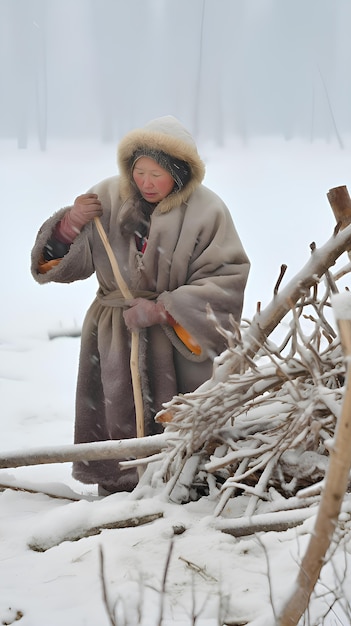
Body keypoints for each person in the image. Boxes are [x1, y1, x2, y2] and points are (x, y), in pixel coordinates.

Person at [31, 115, 250, 494]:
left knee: (179, 413)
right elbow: (66, 266)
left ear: (179, 174)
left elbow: (226, 276)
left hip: (175, 336)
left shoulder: (207, 211)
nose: (146, 182)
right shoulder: (107, 197)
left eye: (157, 174)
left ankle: (184, 484)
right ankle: (117, 488)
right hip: (114, 332)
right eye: (139, 171)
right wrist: (69, 225)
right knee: (113, 407)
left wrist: (165, 309)